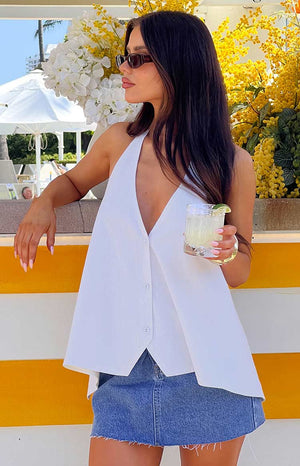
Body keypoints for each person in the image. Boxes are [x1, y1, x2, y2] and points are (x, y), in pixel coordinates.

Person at [14, 11, 265, 466]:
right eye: (123, 57)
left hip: (206, 371)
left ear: (179, 63)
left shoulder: (231, 162)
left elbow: (241, 271)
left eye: (138, 59)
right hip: (123, 368)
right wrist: (42, 202)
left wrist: (227, 252)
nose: (123, 69)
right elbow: (73, 182)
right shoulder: (117, 143)